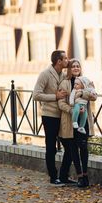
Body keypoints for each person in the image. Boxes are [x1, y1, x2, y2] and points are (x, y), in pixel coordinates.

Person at [33, 50, 75, 186]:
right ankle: (53, 177)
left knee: (69, 147)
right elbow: (36, 95)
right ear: (59, 61)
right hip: (49, 116)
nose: (68, 60)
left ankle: (63, 176)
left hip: (63, 116)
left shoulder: (64, 75)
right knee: (51, 147)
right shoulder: (45, 74)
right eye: (66, 58)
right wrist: (55, 97)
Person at [58, 59, 97, 188]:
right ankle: (79, 177)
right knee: (73, 149)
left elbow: (94, 95)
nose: (75, 68)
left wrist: (82, 92)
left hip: (84, 121)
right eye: (73, 66)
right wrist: (72, 110)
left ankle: (86, 175)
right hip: (71, 121)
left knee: (84, 148)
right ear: (69, 69)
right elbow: (61, 102)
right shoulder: (64, 83)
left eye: (77, 66)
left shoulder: (86, 81)